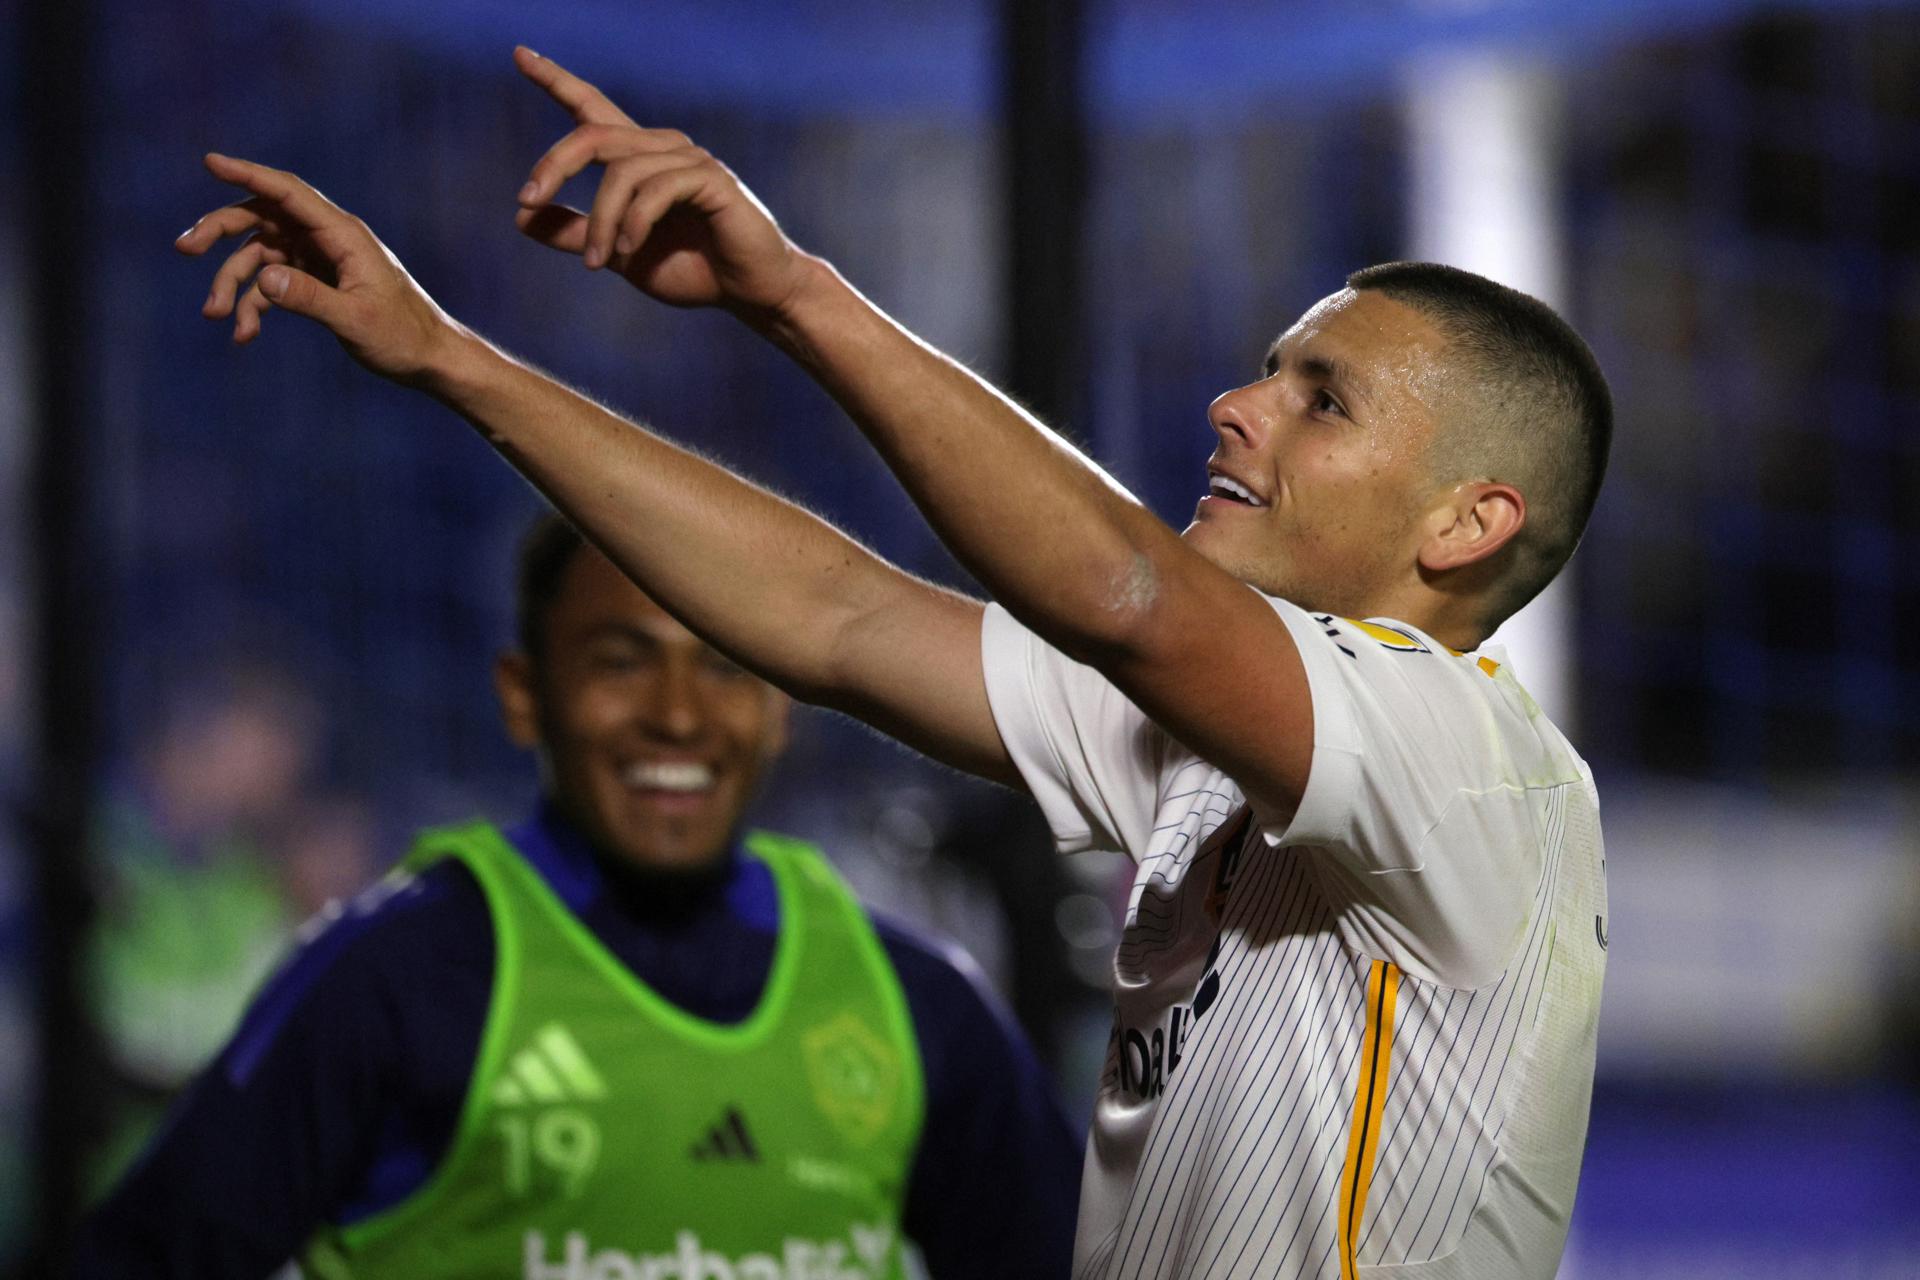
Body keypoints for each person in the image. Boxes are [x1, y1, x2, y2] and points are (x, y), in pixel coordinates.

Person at [172, 45, 1612, 1279]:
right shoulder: (1215, 747)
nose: (1239, 406)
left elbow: (1124, 589)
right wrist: (449, 356)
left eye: (1323, 399)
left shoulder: (1470, 769)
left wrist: (799, 293)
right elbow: (838, 621)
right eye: (1267, 371)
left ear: (1470, 522)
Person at [73, 515, 1083, 1277]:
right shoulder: (398, 980)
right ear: (525, 695)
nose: (677, 714)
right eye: (619, 661)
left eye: (725, 665)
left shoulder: (916, 1008)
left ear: (779, 706)